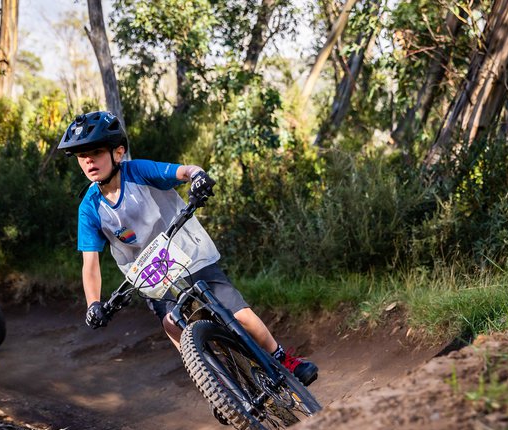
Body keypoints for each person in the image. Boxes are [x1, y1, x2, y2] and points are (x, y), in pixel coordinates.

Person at [59, 111, 318, 387]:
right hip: (153, 278)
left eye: (96, 151)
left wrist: (198, 176)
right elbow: (90, 264)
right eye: (81, 155)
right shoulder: (89, 208)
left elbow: (184, 171)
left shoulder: (138, 172)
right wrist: (93, 304)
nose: (88, 160)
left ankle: (281, 357)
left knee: (238, 313)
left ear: (118, 152)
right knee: (172, 323)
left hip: (189, 255)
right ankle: (213, 384)